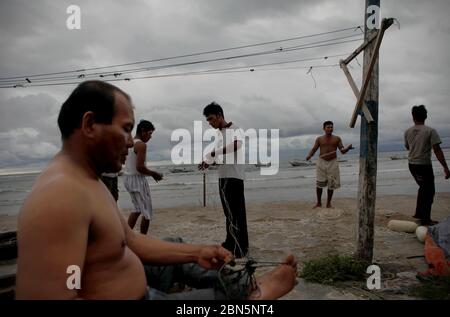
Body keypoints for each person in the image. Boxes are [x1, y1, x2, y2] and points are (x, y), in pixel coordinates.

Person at [16, 80, 297, 300]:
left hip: (140, 280)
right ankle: (250, 296)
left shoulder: (88, 182)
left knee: (176, 241)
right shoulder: (58, 199)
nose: (131, 143)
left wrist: (196, 251)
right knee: (223, 297)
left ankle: (240, 285)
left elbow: (132, 242)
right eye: (126, 130)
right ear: (89, 125)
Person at [199, 102, 248, 258]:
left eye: (212, 119)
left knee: (237, 214)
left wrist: (213, 153)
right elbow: (220, 156)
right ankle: (230, 242)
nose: (210, 123)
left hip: (234, 177)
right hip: (223, 177)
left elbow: (237, 145)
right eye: (208, 121)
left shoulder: (236, 129)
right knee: (228, 214)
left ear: (220, 115)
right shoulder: (219, 135)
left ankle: (241, 247)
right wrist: (209, 162)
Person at [404, 105, 450, 226]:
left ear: (413, 117)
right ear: (425, 116)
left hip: (412, 165)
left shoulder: (407, 131)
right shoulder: (430, 131)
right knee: (429, 191)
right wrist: (445, 167)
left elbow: (408, 147)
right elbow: (437, 149)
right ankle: (425, 219)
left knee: (423, 188)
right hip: (423, 165)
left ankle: (419, 213)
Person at [123, 120, 163, 235]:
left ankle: (125, 236)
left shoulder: (130, 143)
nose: (150, 137)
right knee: (147, 212)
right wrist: (154, 174)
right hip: (137, 179)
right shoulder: (141, 145)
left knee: (137, 209)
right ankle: (143, 239)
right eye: (149, 133)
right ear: (143, 131)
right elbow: (140, 167)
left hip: (128, 178)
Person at [306, 121, 353, 208]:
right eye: (328, 127)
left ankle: (328, 203)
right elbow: (314, 149)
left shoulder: (337, 139)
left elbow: (342, 151)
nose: (330, 129)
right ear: (324, 128)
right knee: (319, 183)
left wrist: (348, 148)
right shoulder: (319, 139)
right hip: (321, 162)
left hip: (333, 162)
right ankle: (319, 203)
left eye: (331, 127)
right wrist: (309, 155)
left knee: (331, 184)